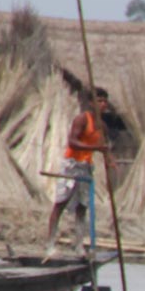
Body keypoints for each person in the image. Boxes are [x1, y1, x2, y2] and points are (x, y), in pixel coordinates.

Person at [44, 85, 112, 257]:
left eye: (104, 101)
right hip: (71, 165)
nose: (102, 104)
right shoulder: (82, 119)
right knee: (61, 203)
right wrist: (96, 147)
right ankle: (50, 244)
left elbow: (105, 148)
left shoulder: (102, 126)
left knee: (82, 206)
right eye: (98, 101)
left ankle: (79, 246)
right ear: (91, 103)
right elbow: (73, 142)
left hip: (85, 167)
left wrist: (109, 161)